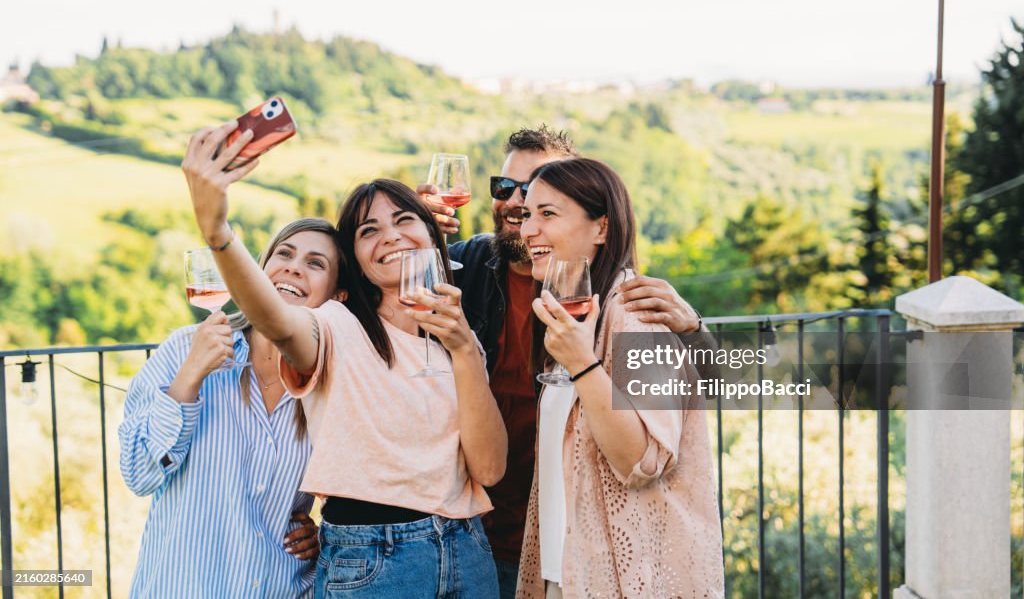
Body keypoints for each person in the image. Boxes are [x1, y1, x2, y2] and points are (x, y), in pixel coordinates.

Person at [181, 121, 507, 598]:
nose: (390, 236)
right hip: (374, 560)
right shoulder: (335, 326)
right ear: (356, 258)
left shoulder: (459, 336)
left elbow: (490, 469)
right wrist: (217, 231)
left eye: (403, 220)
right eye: (368, 230)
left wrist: (463, 350)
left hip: (467, 548)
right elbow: (274, 318)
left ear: (429, 233)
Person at [421, 126, 703, 597]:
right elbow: (365, 305)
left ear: (599, 223)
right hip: (475, 531)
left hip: (583, 548)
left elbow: (691, 408)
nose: (518, 209)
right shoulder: (460, 270)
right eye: (506, 189)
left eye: (539, 202)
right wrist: (409, 225)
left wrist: (695, 330)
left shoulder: (624, 305)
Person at [516, 157, 724, 598]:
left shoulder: (635, 314)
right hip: (568, 573)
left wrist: (584, 366)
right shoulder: (576, 312)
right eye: (527, 214)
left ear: (602, 228)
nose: (528, 229)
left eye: (547, 214)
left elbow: (642, 460)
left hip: (622, 582)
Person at [119, 216, 344, 598]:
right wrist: (192, 373)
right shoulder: (183, 348)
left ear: (338, 298)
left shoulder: (334, 382)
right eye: (284, 254)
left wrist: (326, 537)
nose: (293, 266)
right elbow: (139, 474)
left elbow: (367, 488)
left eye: (315, 263)